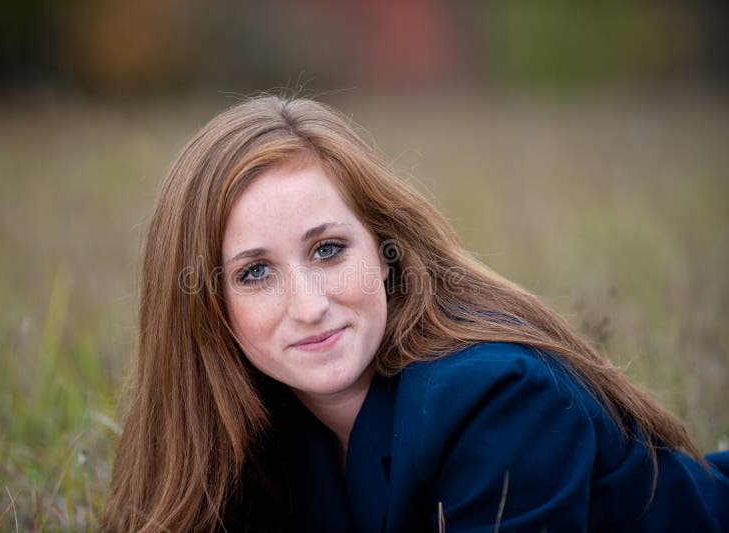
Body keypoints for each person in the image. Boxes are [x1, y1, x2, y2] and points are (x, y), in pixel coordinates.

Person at [102, 95, 729, 532]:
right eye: (255, 273)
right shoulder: (252, 435)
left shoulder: (499, 400)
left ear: (384, 252)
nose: (311, 305)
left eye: (328, 249)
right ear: (211, 307)